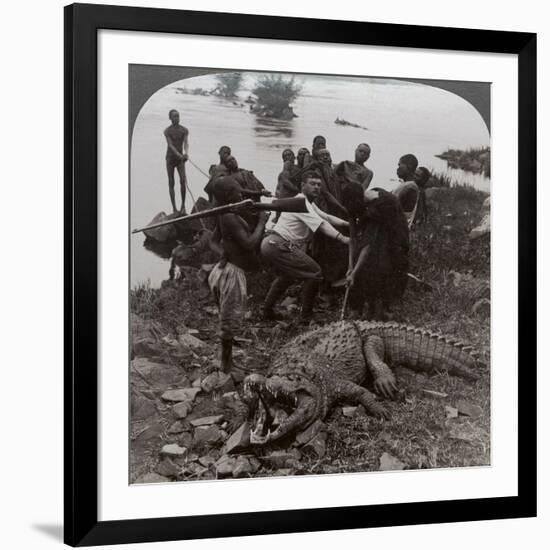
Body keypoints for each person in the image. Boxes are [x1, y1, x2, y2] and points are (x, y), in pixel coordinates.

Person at [261, 171, 349, 321]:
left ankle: (266, 311)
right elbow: (322, 225)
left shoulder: (307, 203)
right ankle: (306, 316)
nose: (316, 187)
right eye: (312, 184)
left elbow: (326, 217)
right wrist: (343, 238)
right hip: (279, 244)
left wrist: (347, 224)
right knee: (315, 273)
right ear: (303, 186)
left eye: (319, 185)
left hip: (272, 244)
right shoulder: (301, 204)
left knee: (286, 277)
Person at [208, 177, 270, 375]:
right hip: (231, 274)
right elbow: (250, 244)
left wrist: (222, 253)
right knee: (228, 321)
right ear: (228, 196)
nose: (241, 194)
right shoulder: (229, 217)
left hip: (223, 270)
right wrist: (262, 222)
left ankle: (227, 358)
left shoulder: (226, 213)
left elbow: (213, 241)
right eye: (237, 192)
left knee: (227, 317)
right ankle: (226, 364)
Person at [346, 187, 409, 320]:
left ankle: (383, 308)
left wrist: (355, 273)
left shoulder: (377, 208)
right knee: (366, 262)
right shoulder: (353, 206)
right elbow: (353, 239)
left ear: (362, 204)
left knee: (385, 263)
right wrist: (350, 267)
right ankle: (358, 308)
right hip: (378, 220)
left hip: (394, 229)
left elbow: (367, 246)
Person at [164, 109, 189, 213]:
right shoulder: (167, 131)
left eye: (178, 116)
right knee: (171, 182)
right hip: (170, 158)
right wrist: (179, 155)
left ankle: (183, 206)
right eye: (174, 116)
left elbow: (186, 143)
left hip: (180, 160)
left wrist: (186, 153)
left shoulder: (184, 130)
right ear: (170, 118)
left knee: (183, 181)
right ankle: (174, 208)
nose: (177, 118)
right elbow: (170, 145)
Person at [392, 153, 419, 228]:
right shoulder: (406, 185)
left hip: (398, 228)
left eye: (400, 165)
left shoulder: (410, 187)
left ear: (409, 166)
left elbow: (392, 206)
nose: (397, 168)